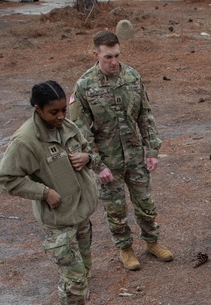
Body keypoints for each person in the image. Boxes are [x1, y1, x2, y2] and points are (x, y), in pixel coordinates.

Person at [0, 80, 104, 305]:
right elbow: (7, 178)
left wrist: (86, 158)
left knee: (85, 268)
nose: (59, 117)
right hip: (59, 223)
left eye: (62, 111)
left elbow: (89, 150)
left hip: (79, 213)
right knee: (73, 276)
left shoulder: (66, 127)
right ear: (37, 109)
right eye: (52, 112)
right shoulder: (26, 141)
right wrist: (43, 192)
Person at [70, 30, 174, 271]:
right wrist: (97, 164)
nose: (113, 61)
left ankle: (152, 242)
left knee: (146, 203)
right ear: (96, 54)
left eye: (116, 55)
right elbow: (80, 130)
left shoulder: (132, 77)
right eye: (107, 57)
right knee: (115, 209)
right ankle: (125, 248)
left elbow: (145, 115)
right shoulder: (84, 86)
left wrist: (152, 150)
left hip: (136, 155)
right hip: (108, 160)